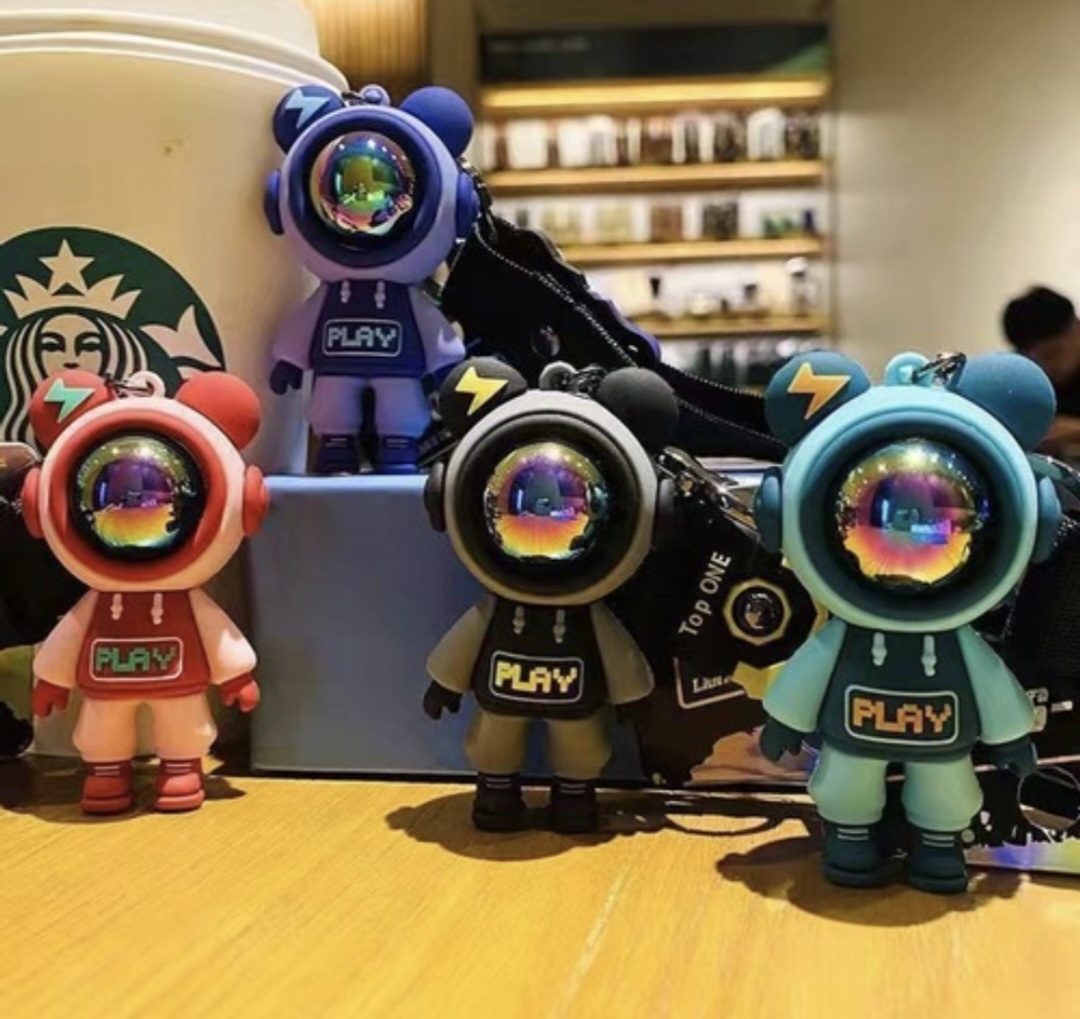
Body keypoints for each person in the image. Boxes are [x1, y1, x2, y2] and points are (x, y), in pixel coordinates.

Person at [1002, 286, 1080, 455]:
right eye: (1036, 360)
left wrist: (1075, 431)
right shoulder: (1018, 378)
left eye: (1053, 353)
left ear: (1076, 329)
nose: (1049, 366)